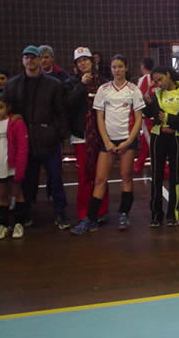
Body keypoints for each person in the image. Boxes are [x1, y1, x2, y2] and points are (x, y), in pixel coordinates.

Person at [0, 45, 70, 229]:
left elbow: (61, 112)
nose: (30, 60)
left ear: (40, 60)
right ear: (22, 60)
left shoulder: (53, 84)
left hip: (48, 141)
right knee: (26, 181)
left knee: (56, 179)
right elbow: (1, 106)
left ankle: (60, 213)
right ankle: (25, 214)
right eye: (27, 57)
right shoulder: (12, 84)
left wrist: (58, 134)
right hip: (25, 143)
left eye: (33, 57)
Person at [71, 55, 144, 233]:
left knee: (126, 177)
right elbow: (99, 118)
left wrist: (128, 142)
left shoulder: (134, 90)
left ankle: (123, 215)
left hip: (127, 141)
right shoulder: (103, 89)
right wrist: (106, 141)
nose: (117, 70)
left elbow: (139, 119)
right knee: (100, 179)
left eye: (120, 66)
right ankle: (91, 219)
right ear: (110, 69)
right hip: (108, 142)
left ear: (126, 68)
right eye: (114, 67)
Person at [64, 47, 109, 230]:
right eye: (79, 61)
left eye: (86, 59)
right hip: (81, 136)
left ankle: (100, 212)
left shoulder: (104, 82)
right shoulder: (70, 83)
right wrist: (81, 86)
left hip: (101, 135)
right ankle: (83, 213)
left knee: (101, 175)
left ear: (92, 61)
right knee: (84, 176)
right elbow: (68, 104)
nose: (83, 63)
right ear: (76, 65)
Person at [146, 65, 179, 227]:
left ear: (168, 75)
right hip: (158, 136)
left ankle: (172, 215)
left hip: (177, 137)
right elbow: (151, 114)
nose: (158, 84)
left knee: (175, 176)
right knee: (156, 175)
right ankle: (156, 215)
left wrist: (169, 119)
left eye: (160, 79)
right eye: (155, 82)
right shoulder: (156, 94)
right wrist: (147, 102)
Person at [0, 95, 28, 240]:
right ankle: (3, 225)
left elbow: (23, 147)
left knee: (17, 194)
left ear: (8, 107)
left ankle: (18, 224)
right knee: (2, 197)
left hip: (13, 166)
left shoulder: (17, 122)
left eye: (0, 107)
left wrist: (20, 168)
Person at [133, 57, 157, 175]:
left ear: (142, 66)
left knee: (151, 142)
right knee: (146, 141)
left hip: (146, 116)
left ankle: (163, 168)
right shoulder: (157, 78)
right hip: (157, 114)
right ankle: (139, 164)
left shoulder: (144, 79)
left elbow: (139, 97)